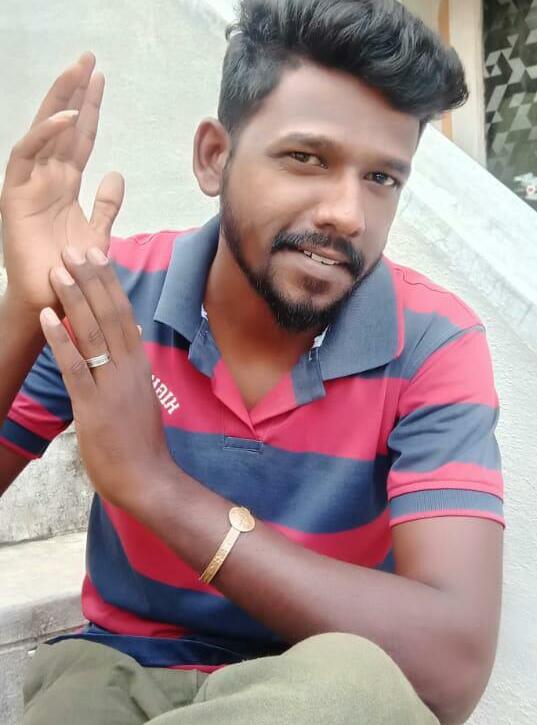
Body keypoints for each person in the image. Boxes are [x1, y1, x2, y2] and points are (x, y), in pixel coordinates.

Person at [0, 1, 504, 724]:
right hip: (118, 668)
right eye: (307, 158)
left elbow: (451, 668)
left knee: (354, 686)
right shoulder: (115, 297)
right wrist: (25, 306)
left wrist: (156, 487)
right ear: (215, 157)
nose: (348, 214)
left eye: (381, 178)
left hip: (318, 684)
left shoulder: (432, 343)